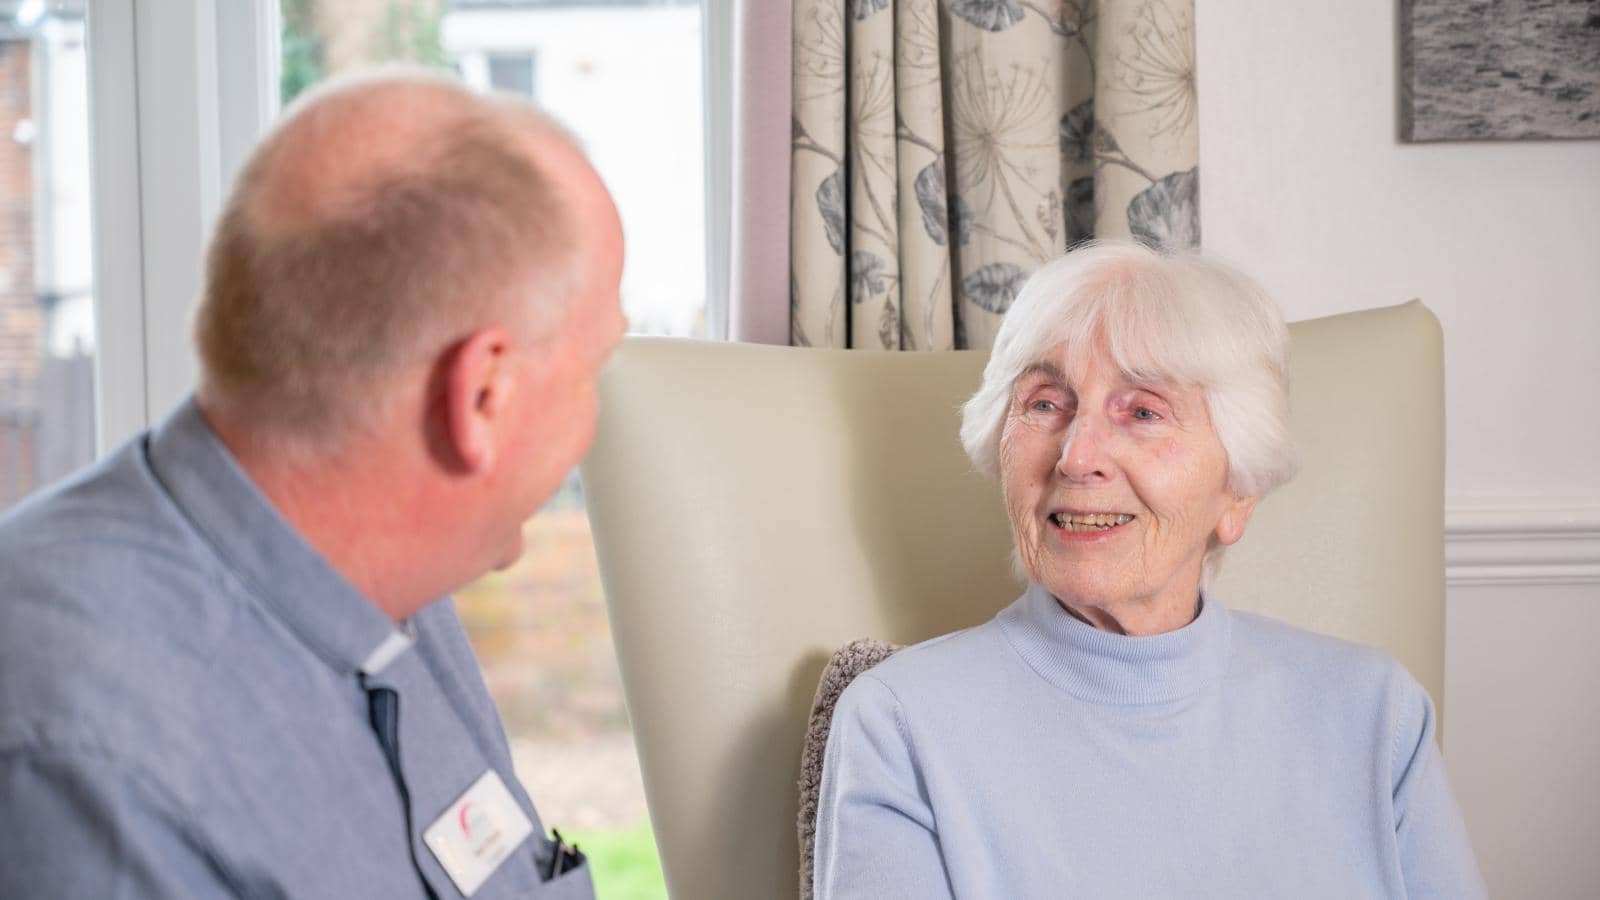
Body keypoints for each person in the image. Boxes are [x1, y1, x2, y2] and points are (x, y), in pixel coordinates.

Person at [0, 68, 624, 899]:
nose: (597, 414)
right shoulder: (80, 764)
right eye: (595, 368)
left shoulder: (393, 592)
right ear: (482, 397)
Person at [811, 241, 1486, 898]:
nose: (1078, 457)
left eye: (1141, 412)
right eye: (1045, 403)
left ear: (1238, 491)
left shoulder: (1375, 715)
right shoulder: (900, 724)